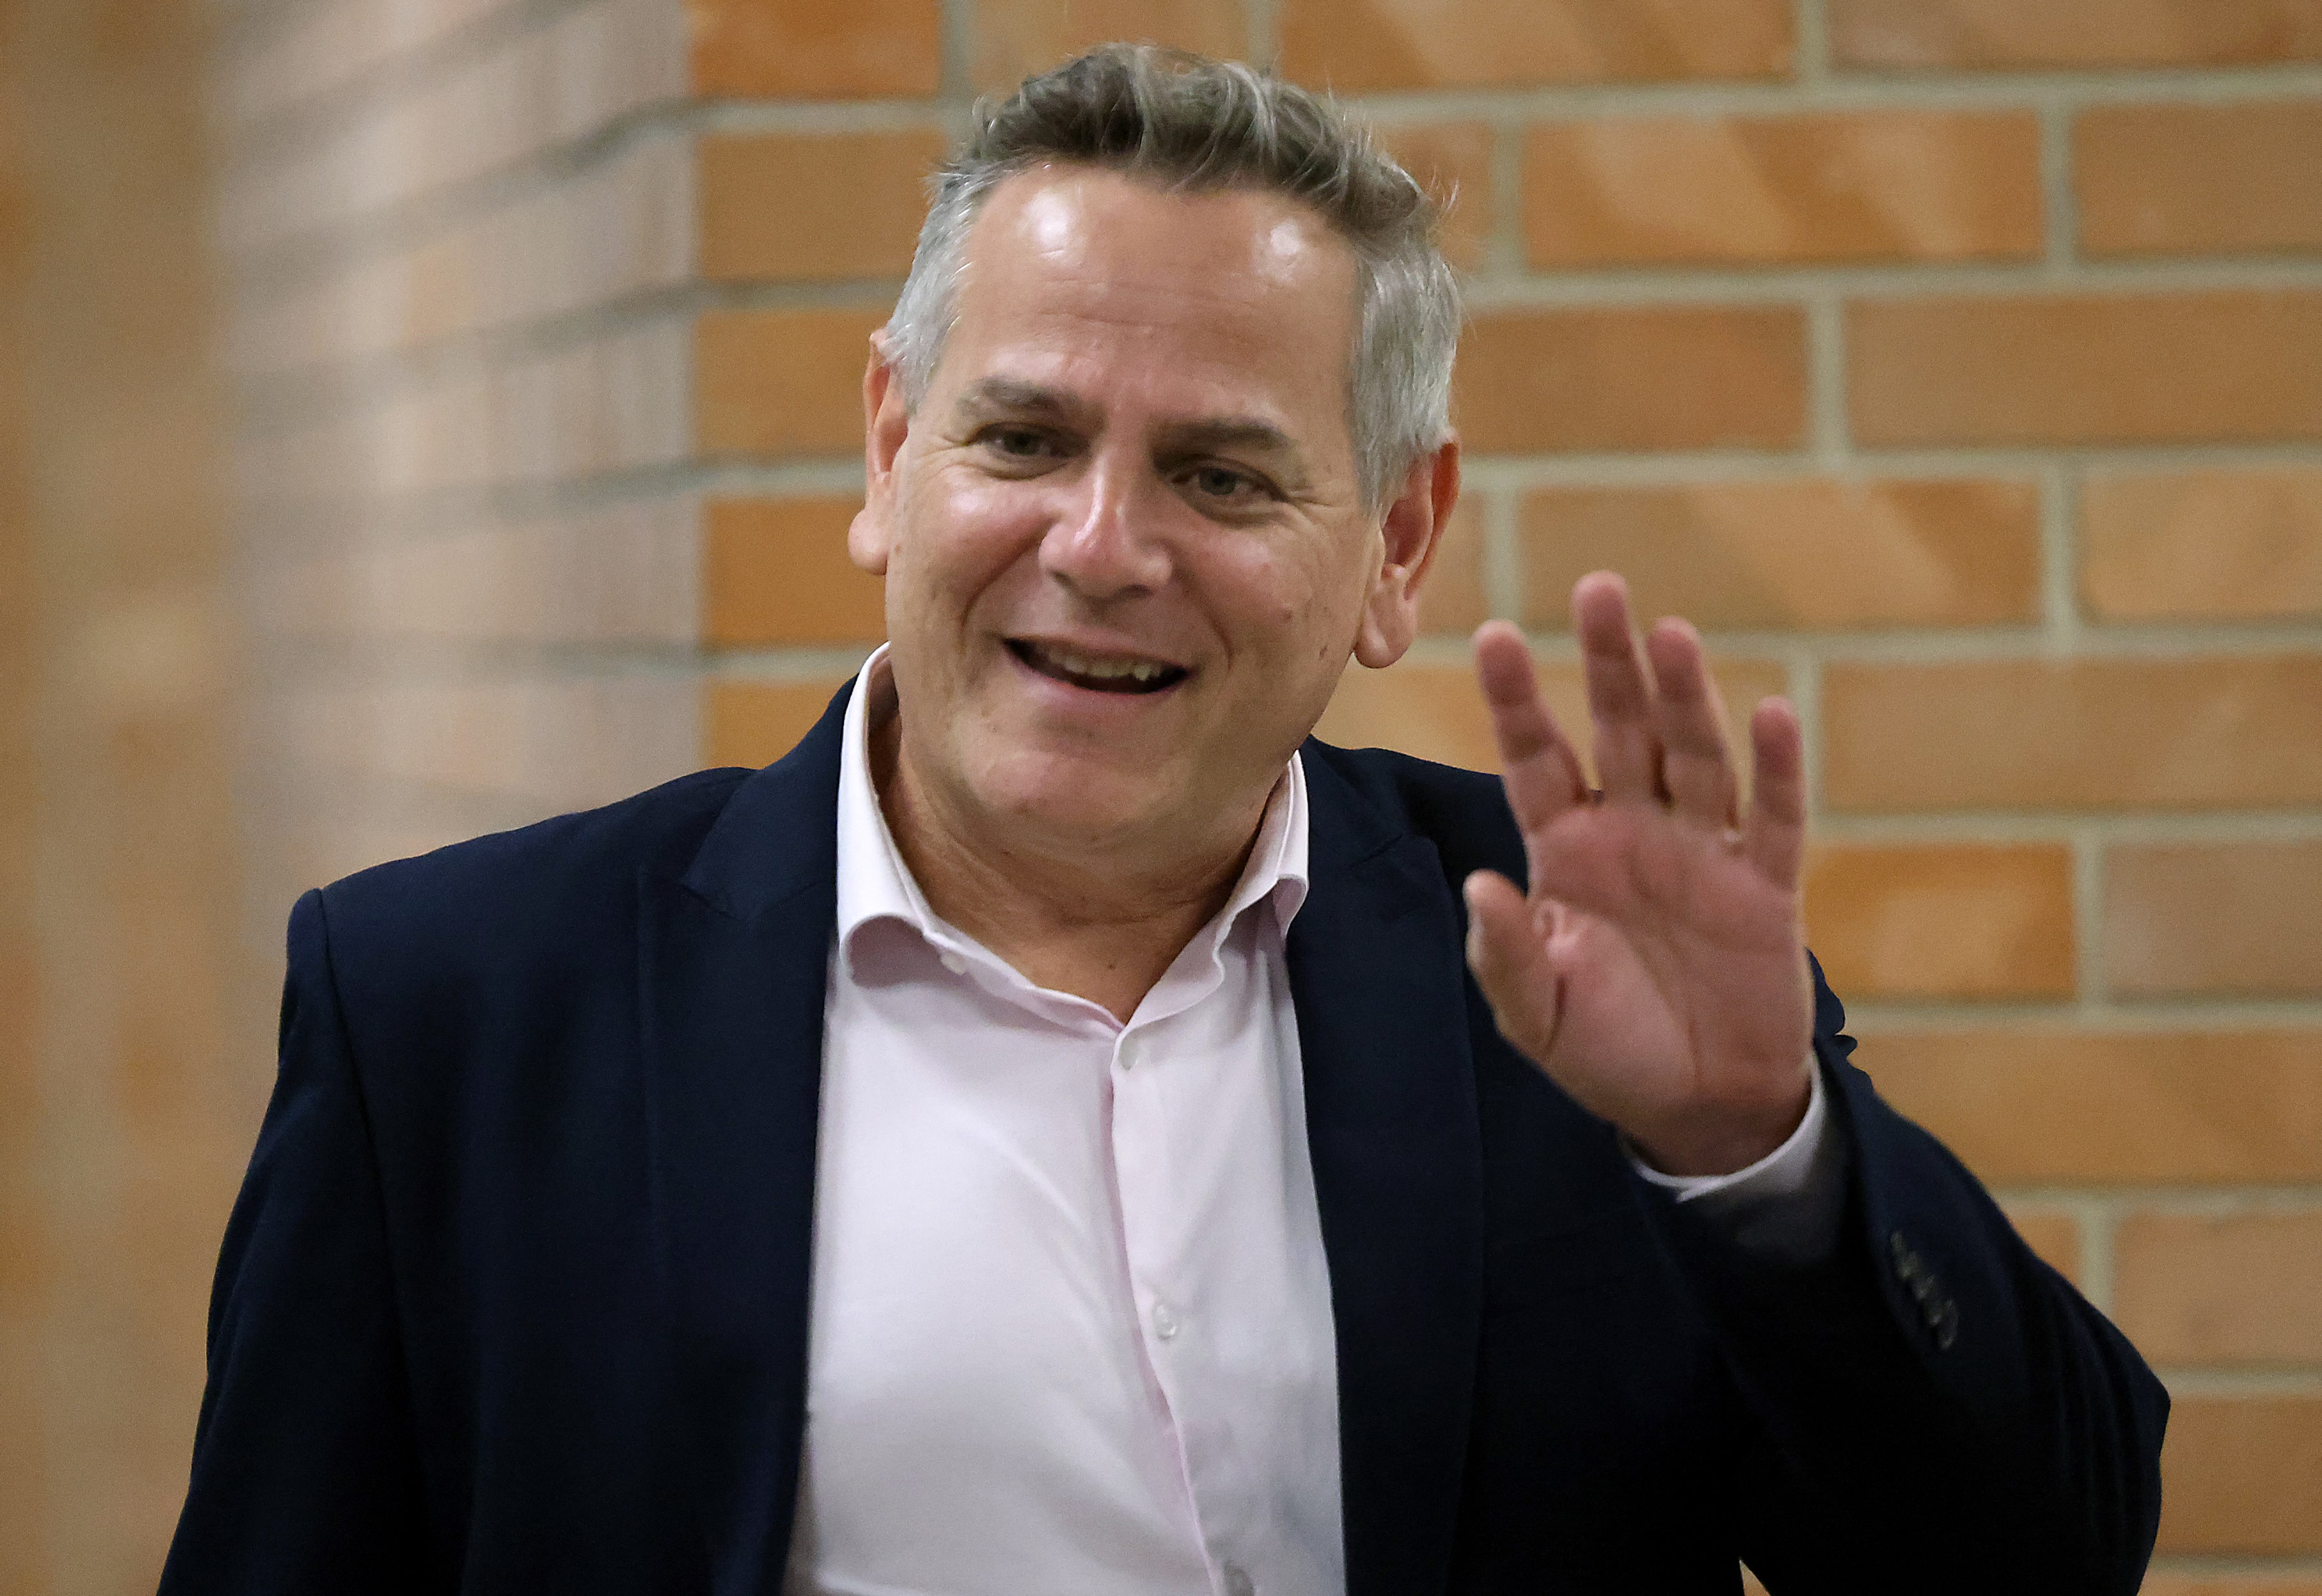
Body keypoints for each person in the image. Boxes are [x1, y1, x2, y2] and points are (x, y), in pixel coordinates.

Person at [160, 45, 2166, 1596]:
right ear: (890, 450)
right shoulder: (452, 1008)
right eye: (1022, 438)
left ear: (1394, 543)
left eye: (1220, 477)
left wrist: (1759, 1158)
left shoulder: (1572, 973)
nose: (1100, 549)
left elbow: (2033, 1560)